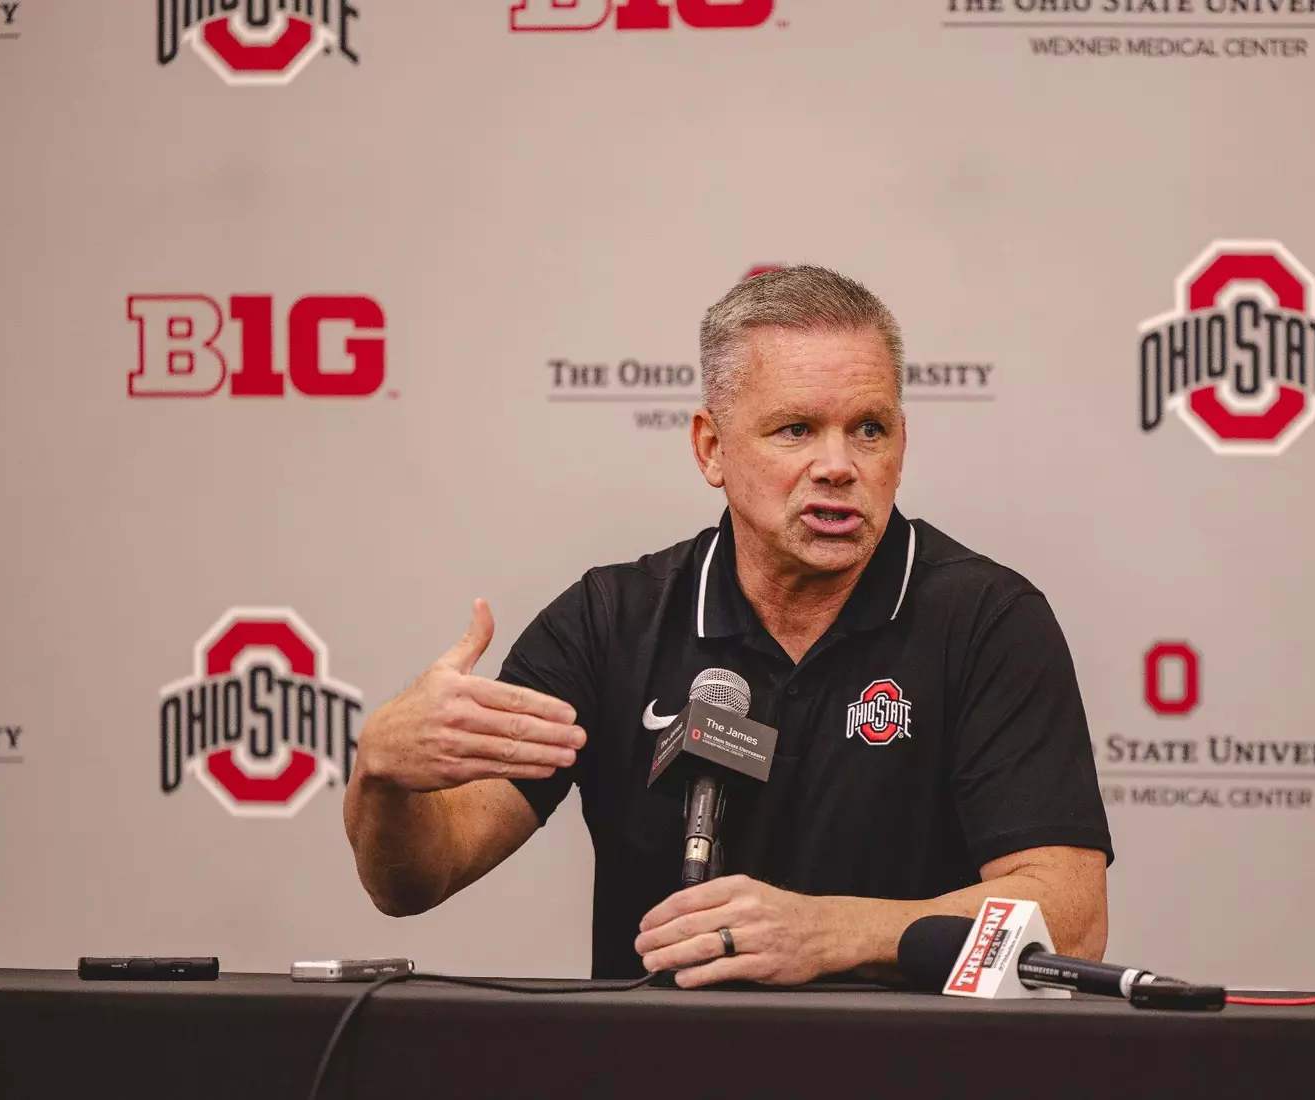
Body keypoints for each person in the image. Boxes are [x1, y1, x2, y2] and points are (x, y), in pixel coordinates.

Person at [343, 265, 1113, 987]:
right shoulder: (609, 623)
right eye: (796, 430)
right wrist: (382, 775)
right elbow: (419, 877)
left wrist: (828, 932)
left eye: (870, 429)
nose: (839, 465)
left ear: (901, 445)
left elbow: (1069, 923)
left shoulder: (986, 622)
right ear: (711, 448)